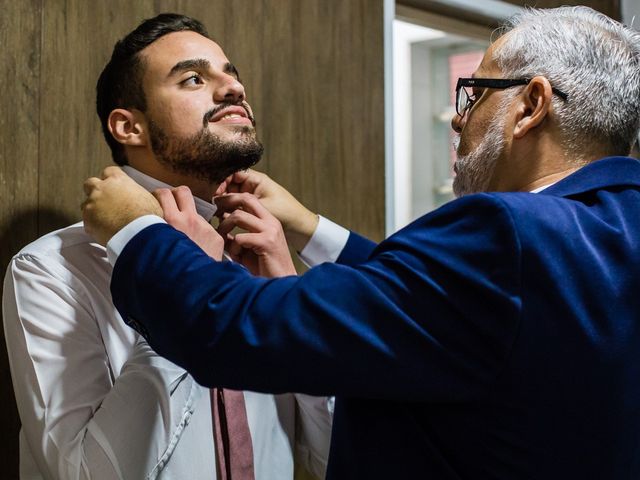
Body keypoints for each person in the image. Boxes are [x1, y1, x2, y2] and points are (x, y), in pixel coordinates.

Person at [81, 6, 640, 479]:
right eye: (193, 78)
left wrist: (138, 232)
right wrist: (309, 229)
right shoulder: (615, 227)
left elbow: (237, 326)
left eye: (472, 94)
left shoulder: (504, 235)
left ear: (531, 105)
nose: (457, 121)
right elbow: (461, 312)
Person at [3, 13, 331, 480]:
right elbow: (80, 474)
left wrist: (294, 306)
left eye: (231, 74)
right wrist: (177, 291)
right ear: (128, 127)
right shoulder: (51, 269)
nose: (234, 89)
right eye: (194, 78)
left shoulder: (262, 259)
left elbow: (333, 458)